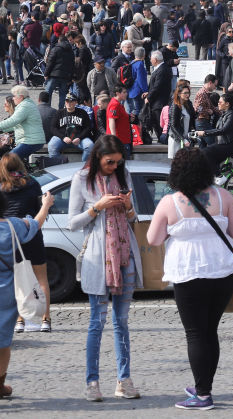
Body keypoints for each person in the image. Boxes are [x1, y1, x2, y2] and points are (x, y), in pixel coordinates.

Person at [146, 148, 233, 410]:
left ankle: (202, 395)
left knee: (195, 333)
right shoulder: (223, 196)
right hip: (222, 270)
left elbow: (153, 239)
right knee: (209, 331)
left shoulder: (169, 202)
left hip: (188, 271)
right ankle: (205, 387)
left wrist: (175, 231)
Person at [67, 135, 144, 401]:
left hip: (125, 256)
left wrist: (128, 206)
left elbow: (134, 218)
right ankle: (92, 382)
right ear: (98, 156)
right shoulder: (82, 179)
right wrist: (97, 207)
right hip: (98, 258)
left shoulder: (124, 175)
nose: (114, 167)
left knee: (121, 321)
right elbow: (72, 223)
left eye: (118, 162)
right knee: (96, 323)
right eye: (110, 162)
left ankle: (124, 380)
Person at [0, 181, 54, 398]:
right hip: (7, 294)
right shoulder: (12, 226)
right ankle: (0, 384)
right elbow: (36, 224)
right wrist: (46, 205)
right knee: (3, 343)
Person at [1, 153, 55, 333]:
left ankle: (20, 320)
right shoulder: (32, 184)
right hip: (32, 233)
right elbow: (40, 209)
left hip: (11, 236)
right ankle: (46, 319)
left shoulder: (1, 187)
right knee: (41, 279)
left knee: (18, 280)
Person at [196, 94, 233, 171]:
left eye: (220, 102)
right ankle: (217, 174)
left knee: (206, 152)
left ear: (227, 104)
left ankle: (218, 175)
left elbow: (223, 130)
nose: (218, 104)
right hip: (224, 143)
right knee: (207, 157)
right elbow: (217, 128)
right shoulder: (224, 114)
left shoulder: (232, 115)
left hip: (232, 145)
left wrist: (205, 132)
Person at [46, 92, 94, 161]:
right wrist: (63, 137)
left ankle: (83, 165)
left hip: (79, 140)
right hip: (62, 139)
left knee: (90, 146)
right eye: (67, 101)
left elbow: (88, 127)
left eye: (71, 101)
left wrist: (80, 137)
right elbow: (53, 128)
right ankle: (59, 164)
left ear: (76, 102)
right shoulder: (59, 113)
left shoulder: (83, 112)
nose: (69, 103)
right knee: (51, 146)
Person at [168, 82, 196, 159]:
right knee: (177, 162)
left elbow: (191, 120)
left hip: (186, 139)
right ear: (179, 94)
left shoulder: (187, 104)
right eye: (185, 93)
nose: (188, 95)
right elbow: (173, 125)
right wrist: (183, 139)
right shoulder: (175, 106)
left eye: (188, 93)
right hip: (177, 139)